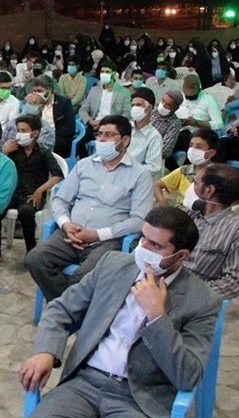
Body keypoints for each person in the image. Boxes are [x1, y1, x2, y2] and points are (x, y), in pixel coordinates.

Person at [12, 206, 219, 418]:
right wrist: (47, 350)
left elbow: (188, 375)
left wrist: (157, 317)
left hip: (140, 398)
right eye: (143, 239)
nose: (143, 248)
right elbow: (61, 309)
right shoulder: (114, 264)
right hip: (85, 383)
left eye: (155, 245)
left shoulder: (200, 300)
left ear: (180, 255)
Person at [25, 115, 154, 303]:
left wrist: (97, 234)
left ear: (125, 140)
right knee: (35, 259)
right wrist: (66, 224)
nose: (101, 139)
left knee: (84, 275)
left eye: (109, 135)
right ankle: (70, 310)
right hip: (71, 233)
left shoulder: (140, 175)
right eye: (99, 134)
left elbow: (139, 220)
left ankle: (65, 310)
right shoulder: (84, 165)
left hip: (107, 240)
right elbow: (61, 199)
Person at [0, 115, 64, 259]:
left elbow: (57, 175)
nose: (19, 134)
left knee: (26, 212)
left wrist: (40, 191)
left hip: (32, 195)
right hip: (13, 193)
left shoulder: (43, 152)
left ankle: (31, 251)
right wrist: (5, 152)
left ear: (34, 133)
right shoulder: (13, 150)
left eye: (23, 130)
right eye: (18, 130)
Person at [182, 163, 239, 299]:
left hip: (189, 297)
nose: (192, 187)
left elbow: (236, 281)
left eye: (195, 183)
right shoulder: (190, 215)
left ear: (209, 190)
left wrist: (192, 293)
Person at [154, 129, 219, 207]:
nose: (193, 149)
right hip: (178, 214)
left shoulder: (218, 176)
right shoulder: (184, 171)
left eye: (199, 147)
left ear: (211, 153)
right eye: (191, 145)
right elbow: (157, 185)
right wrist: (162, 201)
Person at [172, 73, 223, 155]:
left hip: (198, 134)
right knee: (162, 148)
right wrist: (179, 122)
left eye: (192, 95)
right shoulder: (179, 97)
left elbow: (219, 123)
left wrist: (197, 123)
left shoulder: (208, 99)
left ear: (199, 90)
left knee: (190, 144)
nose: (189, 97)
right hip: (177, 132)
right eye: (187, 95)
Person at [28, 76, 77, 157]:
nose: (36, 94)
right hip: (38, 136)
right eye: (34, 91)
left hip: (59, 137)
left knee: (37, 145)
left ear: (49, 90)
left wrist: (49, 134)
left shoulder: (64, 102)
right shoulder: (33, 104)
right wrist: (34, 107)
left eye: (39, 91)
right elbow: (27, 123)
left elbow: (69, 128)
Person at [79, 62, 132, 136]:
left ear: (113, 74)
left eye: (107, 72)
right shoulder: (94, 90)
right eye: (102, 72)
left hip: (113, 128)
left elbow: (127, 114)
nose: (104, 74)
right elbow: (83, 110)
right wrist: (90, 121)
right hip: (93, 126)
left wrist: (107, 124)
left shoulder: (124, 92)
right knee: (80, 141)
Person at [126, 88, 164, 176]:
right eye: (133, 105)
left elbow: (153, 167)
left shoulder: (154, 136)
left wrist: (127, 168)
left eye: (139, 105)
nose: (135, 108)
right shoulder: (123, 128)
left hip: (134, 178)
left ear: (150, 108)